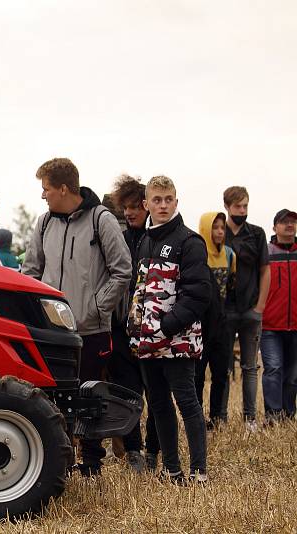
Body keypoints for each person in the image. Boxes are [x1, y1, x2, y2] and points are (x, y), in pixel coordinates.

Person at [22, 158, 132, 476]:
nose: (43, 195)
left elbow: (122, 269)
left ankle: (93, 463)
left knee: (88, 395)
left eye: (46, 189)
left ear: (63, 189)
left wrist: (96, 308)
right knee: (52, 395)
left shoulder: (102, 220)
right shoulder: (43, 223)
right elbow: (30, 271)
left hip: (90, 329)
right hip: (49, 331)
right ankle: (60, 460)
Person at [127, 175, 210, 484]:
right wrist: (135, 327)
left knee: (187, 403)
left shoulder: (189, 242)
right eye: (157, 200)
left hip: (179, 342)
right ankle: (172, 470)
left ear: (176, 201)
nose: (162, 205)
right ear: (146, 204)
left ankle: (199, 472)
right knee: (159, 405)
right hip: (147, 342)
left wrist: (165, 326)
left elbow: (199, 295)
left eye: (168, 199)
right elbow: (139, 290)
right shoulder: (146, 241)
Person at [107, 175, 158, 473]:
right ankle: (133, 451)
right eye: (124, 208)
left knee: (157, 395)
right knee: (127, 393)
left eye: (134, 207)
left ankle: (154, 449)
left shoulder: (159, 239)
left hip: (153, 330)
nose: (129, 213)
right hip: (121, 328)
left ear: (146, 206)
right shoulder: (121, 239)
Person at [222, 186, 270, 431]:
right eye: (238, 206)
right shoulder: (220, 233)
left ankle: (250, 418)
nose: (242, 210)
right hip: (226, 310)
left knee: (250, 367)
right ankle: (220, 418)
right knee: (223, 366)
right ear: (227, 207)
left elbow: (265, 270)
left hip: (251, 310)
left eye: (245, 206)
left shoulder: (257, 234)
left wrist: (260, 306)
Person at [194, 212, 236, 429]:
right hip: (201, 324)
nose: (220, 232)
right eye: (215, 227)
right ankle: (197, 417)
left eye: (222, 228)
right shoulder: (197, 255)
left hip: (223, 324)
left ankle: (218, 417)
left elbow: (231, 287)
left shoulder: (230, 255)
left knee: (221, 373)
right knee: (198, 375)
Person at [260, 209, 297, 422]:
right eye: (284, 222)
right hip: (270, 325)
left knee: (292, 377)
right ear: (274, 227)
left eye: (292, 221)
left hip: (296, 325)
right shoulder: (266, 252)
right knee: (273, 369)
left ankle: (289, 415)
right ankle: (273, 416)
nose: (289, 225)